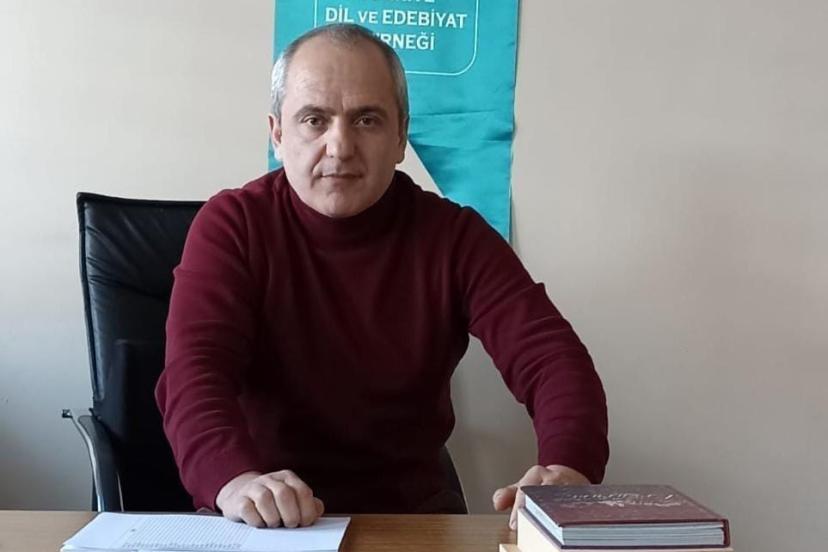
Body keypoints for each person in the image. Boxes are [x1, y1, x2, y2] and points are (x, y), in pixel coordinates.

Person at [156, 23, 608, 531]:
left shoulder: (454, 236)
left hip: (411, 518)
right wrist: (235, 481)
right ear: (277, 134)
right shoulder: (232, 226)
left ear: (400, 136)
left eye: (366, 120)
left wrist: (568, 468)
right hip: (262, 517)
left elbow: (551, 358)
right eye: (314, 120)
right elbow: (194, 374)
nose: (339, 146)